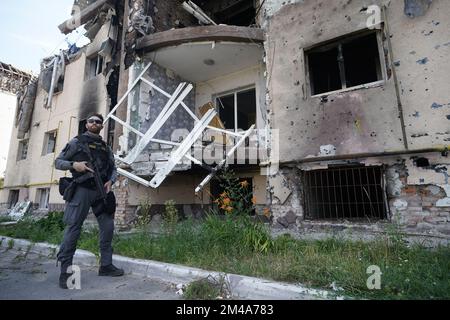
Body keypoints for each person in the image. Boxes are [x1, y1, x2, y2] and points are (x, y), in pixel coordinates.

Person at [55, 113, 124, 289]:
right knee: (73, 228)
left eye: (98, 122)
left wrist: (111, 180)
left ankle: (106, 265)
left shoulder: (105, 147)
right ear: (86, 124)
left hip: (101, 191)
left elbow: (114, 168)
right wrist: (74, 165)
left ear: (102, 126)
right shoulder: (76, 142)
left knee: (108, 227)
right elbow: (58, 162)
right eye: (91, 121)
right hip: (82, 190)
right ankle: (66, 272)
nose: (95, 123)